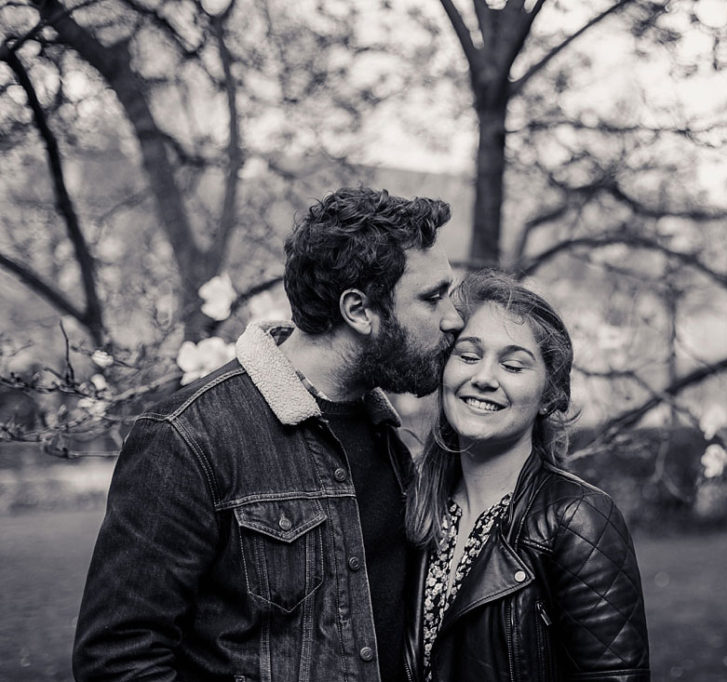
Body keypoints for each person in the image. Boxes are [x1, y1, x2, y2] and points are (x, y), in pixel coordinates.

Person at [73, 187, 463, 682]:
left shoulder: (395, 441)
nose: (454, 318)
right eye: (432, 298)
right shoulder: (188, 437)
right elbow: (118, 660)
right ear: (359, 310)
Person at [403, 270, 650, 682]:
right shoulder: (415, 506)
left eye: (513, 365)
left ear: (549, 396)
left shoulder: (579, 520)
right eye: (467, 355)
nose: (483, 377)